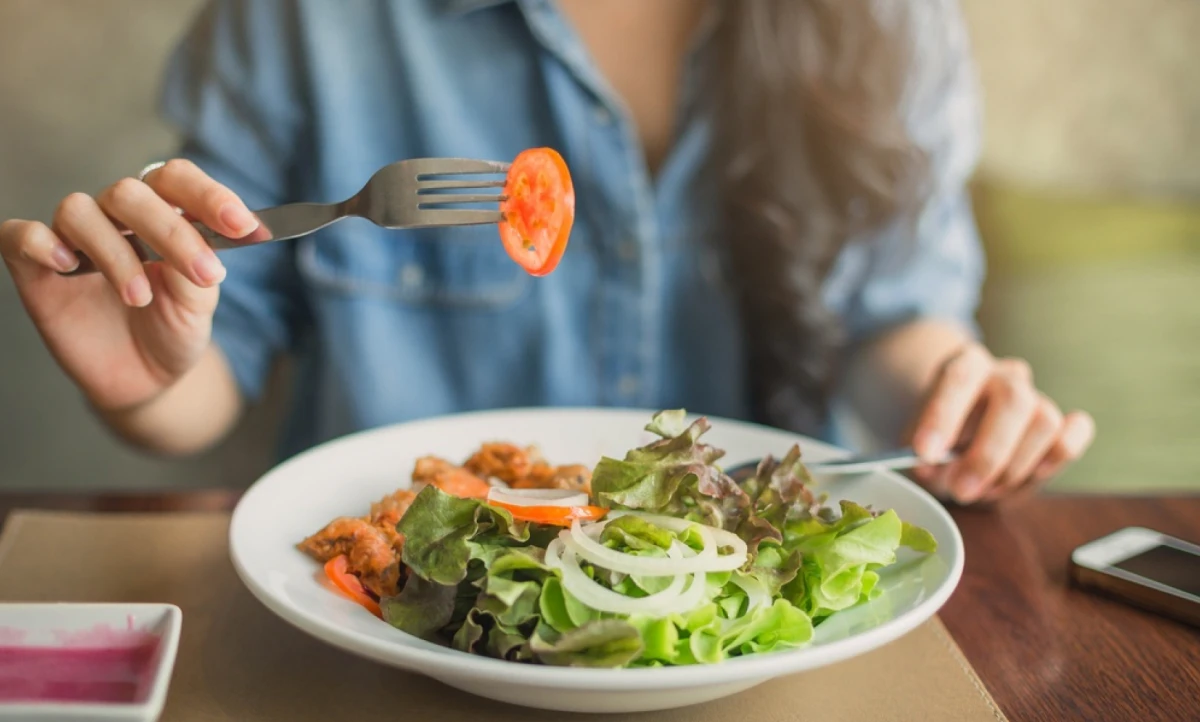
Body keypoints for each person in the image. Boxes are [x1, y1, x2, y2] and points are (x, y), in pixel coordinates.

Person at [0, 0, 1092, 505]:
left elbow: (891, 309)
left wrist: (950, 396)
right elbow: (215, 356)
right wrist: (147, 377)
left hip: (746, 630)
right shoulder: (306, 19)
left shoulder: (885, 18)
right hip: (390, 645)